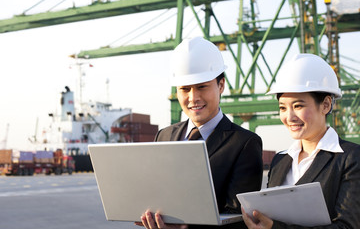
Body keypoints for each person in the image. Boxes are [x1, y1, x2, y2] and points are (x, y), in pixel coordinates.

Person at [137, 37, 263, 229]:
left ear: (221, 85)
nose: (193, 98)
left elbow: (238, 221)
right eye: (185, 89)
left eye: (202, 87)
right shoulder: (163, 135)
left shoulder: (245, 143)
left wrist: (183, 228)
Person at [242, 53, 360, 229]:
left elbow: (348, 226)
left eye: (298, 106)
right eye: (282, 108)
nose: (289, 117)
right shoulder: (280, 161)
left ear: (326, 105)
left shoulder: (351, 158)